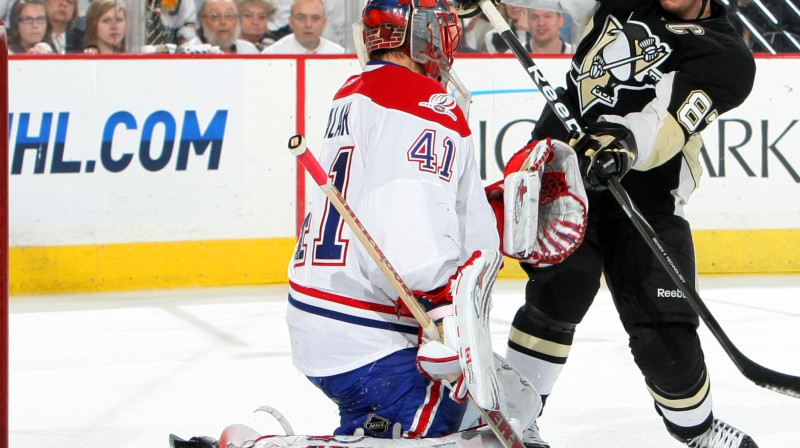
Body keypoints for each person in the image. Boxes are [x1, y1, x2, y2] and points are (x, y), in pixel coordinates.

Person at [455, 0, 757, 447]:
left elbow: (669, 122)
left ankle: (699, 430)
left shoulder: (726, 56)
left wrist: (626, 144)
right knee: (557, 295)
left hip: (650, 195)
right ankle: (515, 420)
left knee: (665, 333)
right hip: (564, 174)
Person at [284, 0, 512, 439]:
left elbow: (406, 200)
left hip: (329, 316)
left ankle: (366, 430)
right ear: (428, 34)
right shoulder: (422, 100)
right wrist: (445, 314)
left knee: (384, 424)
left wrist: (493, 212)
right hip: (371, 335)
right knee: (448, 430)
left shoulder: (358, 89)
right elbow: (407, 226)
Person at [261, 0, 343, 54]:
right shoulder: (272, 55)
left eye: (315, 18)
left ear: (324, 22)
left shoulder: (339, 54)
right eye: (301, 18)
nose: (308, 25)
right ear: (291, 22)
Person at [181, 0, 259, 53]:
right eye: (215, 16)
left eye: (229, 16)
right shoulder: (187, 51)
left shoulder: (249, 50)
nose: (223, 22)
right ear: (203, 22)